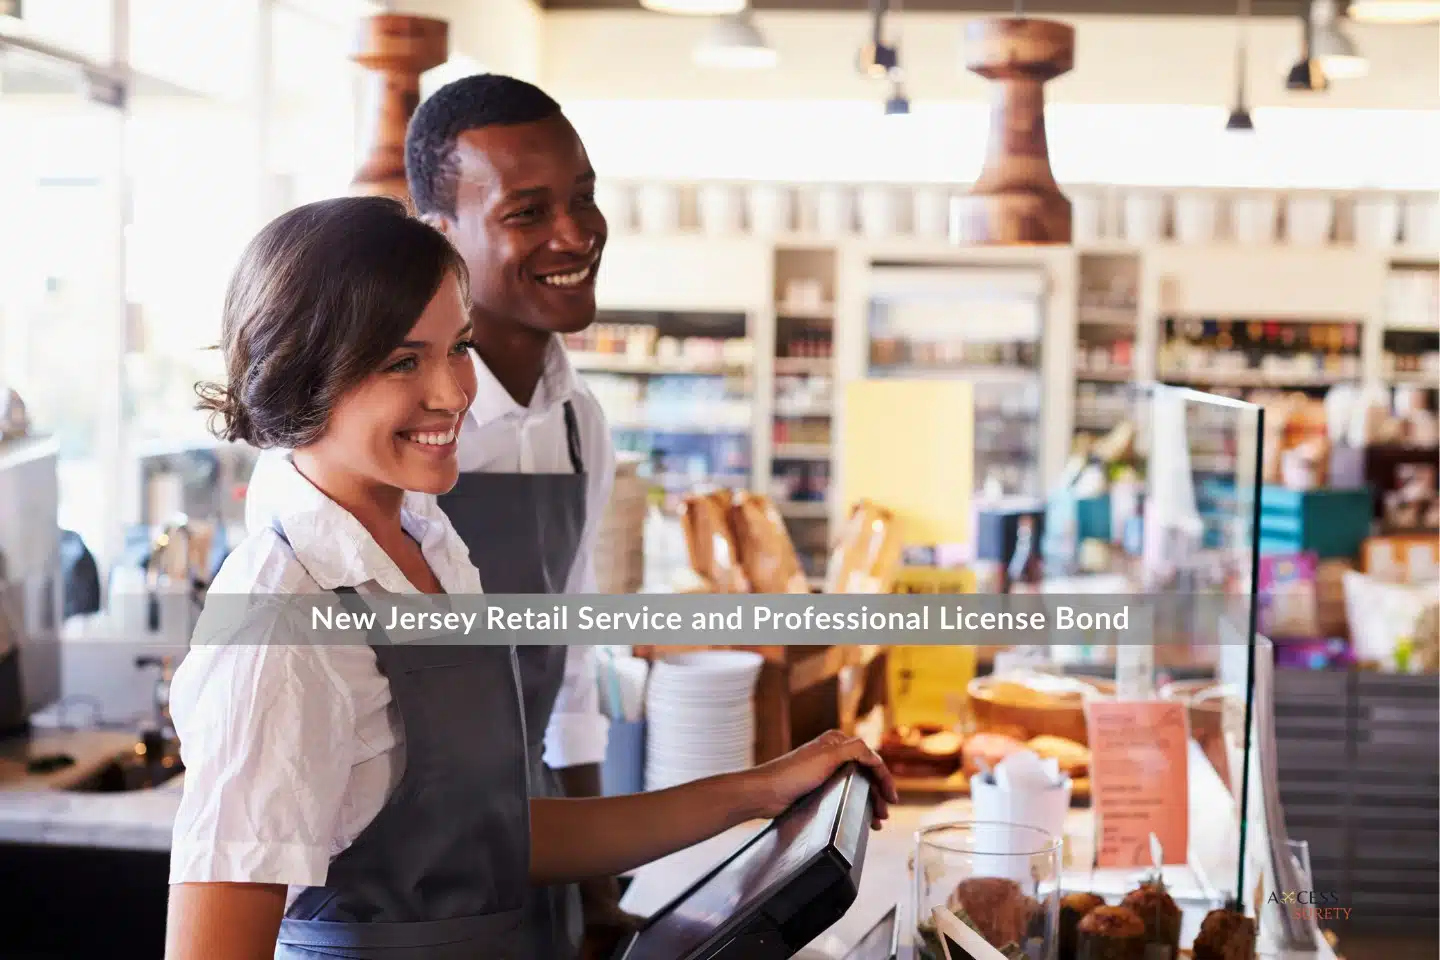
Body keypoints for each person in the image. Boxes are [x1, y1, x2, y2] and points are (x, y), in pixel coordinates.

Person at [167, 195, 898, 960]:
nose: (453, 393)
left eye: (458, 348)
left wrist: (758, 789)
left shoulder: (426, 543)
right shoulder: (279, 626)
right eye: (403, 361)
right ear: (304, 376)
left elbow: (489, 834)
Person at [244, 73, 621, 958]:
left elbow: (567, 669)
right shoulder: (366, 451)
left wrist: (599, 899)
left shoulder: (579, 423)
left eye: (585, 196)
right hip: (393, 901)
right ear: (439, 238)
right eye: (528, 212)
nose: (575, 232)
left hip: (533, 855)